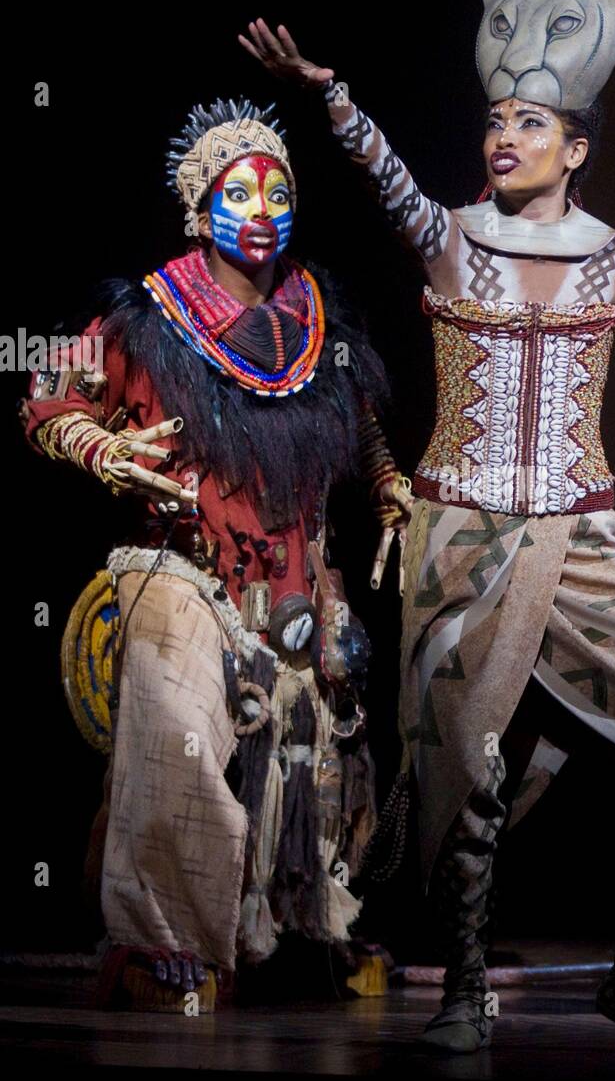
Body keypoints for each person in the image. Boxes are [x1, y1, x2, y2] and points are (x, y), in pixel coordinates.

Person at [240, 0, 615, 1056]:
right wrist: (332, 96)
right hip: (460, 537)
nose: (506, 135)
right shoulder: (452, 237)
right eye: (498, 118)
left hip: (584, 534)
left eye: (531, 122)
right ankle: (464, 988)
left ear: (576, 145)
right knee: (467, 767)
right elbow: (383, 177)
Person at [20, 98, 410, 1010]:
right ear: (201, 210)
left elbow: (361, 428)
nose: (264, 207)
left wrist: (389, 482)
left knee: (324, 736)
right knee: (174, 720)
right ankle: (164, 942)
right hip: (185, 565)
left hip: (296, 577)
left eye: (279, 189)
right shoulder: (147, 314)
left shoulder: (314, 316)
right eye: (240, 190)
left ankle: (306, 928)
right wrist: (106, 449)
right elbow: (44, 396)